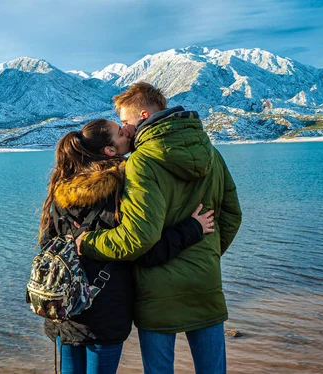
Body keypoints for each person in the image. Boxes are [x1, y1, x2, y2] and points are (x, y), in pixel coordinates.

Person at [76, 83, 242, 374]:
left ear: (142, 115)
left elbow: (138, 237)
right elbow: (231, 215)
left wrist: (88, 242)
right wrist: (208, 255)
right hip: (206, 282)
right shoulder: (211, 152)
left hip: (156, 289)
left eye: (126, 123)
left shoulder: (142, 161)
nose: (125, 131)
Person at [39, 118, 216, 374]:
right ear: (110, 151)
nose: (128, 133)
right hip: (105, 312)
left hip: (62, 309)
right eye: (121, 133)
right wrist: (192, 229)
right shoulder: (119, 191)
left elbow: (47, 245)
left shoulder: (60, 189)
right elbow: (144, 249)